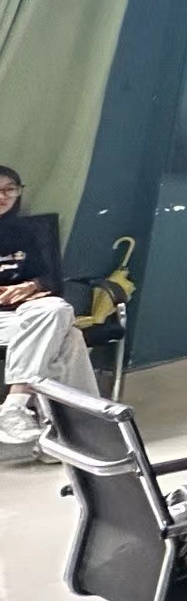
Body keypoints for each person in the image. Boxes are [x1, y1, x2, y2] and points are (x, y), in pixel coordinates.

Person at [0, 165, 94, 447]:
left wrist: (31, 286)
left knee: (56, 310)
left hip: (25, 313)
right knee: (69, 337)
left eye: (10, 190)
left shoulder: (22, 231)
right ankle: (76, 433)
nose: (3, 197)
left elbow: (46, 278)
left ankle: (14, 406)